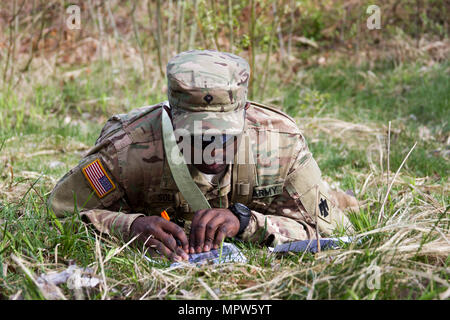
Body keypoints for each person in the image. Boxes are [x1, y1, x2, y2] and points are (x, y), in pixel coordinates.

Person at [48, 50, 358, 262]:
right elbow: (58, 214)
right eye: (196, 135)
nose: (212, 149)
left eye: (225, 135)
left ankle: (345, 195)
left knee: (337, 201)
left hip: (275, 202)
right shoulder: (127, 150)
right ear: (169, 118)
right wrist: (130, 227)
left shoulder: (279, 145)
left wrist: (248, 223)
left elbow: (335, 231)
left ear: (246, 115)